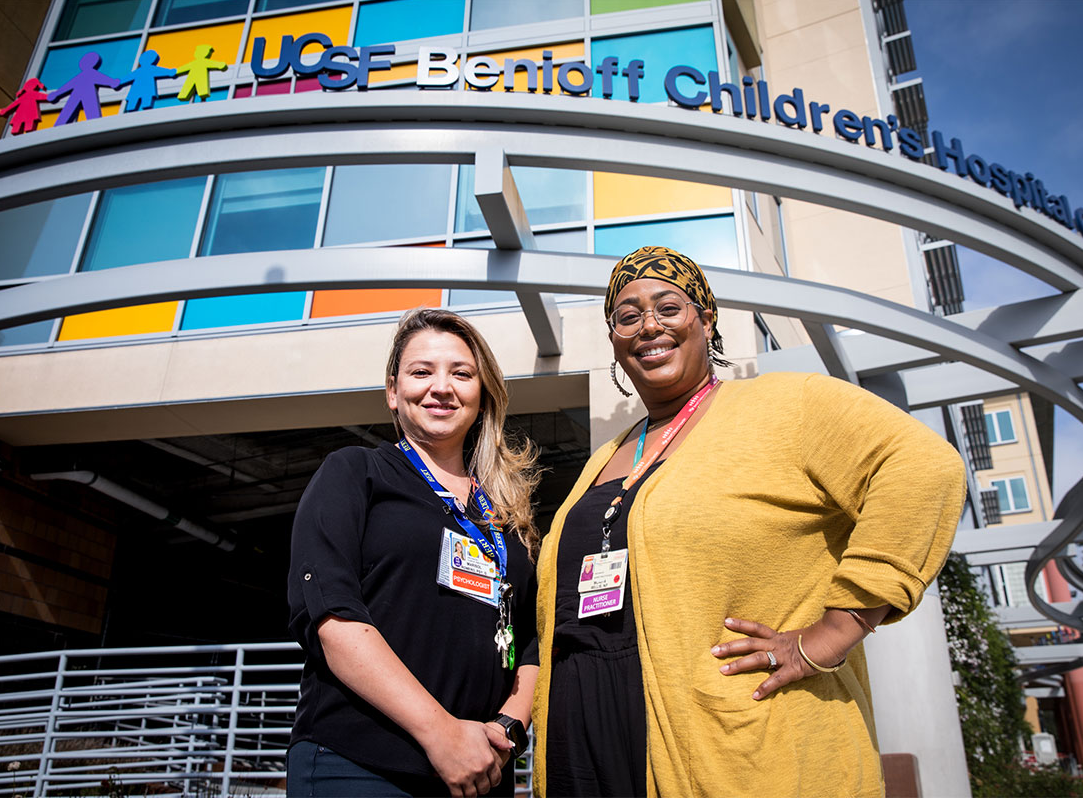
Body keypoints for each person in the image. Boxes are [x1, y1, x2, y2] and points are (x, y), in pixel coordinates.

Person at [531, 246, 967, 797]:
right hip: (585, 743)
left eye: (669, 307)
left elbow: (923, 467)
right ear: (614, 340)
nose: (648, 327)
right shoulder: (609, 453)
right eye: (628, 315)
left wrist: (834, 632)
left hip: (741, 749)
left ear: (706, 320)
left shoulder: (787, 404)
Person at [288, 308, 541, 797]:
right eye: (421, 372)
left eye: (461, 373)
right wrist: (440, 732)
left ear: (482, 392)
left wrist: (506, 731)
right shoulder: (355, 474)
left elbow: (529, 639)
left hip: (481, 772)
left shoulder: (504, 516)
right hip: (362, 765)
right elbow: (332, 617)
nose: (441, 387)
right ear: (392, 391)